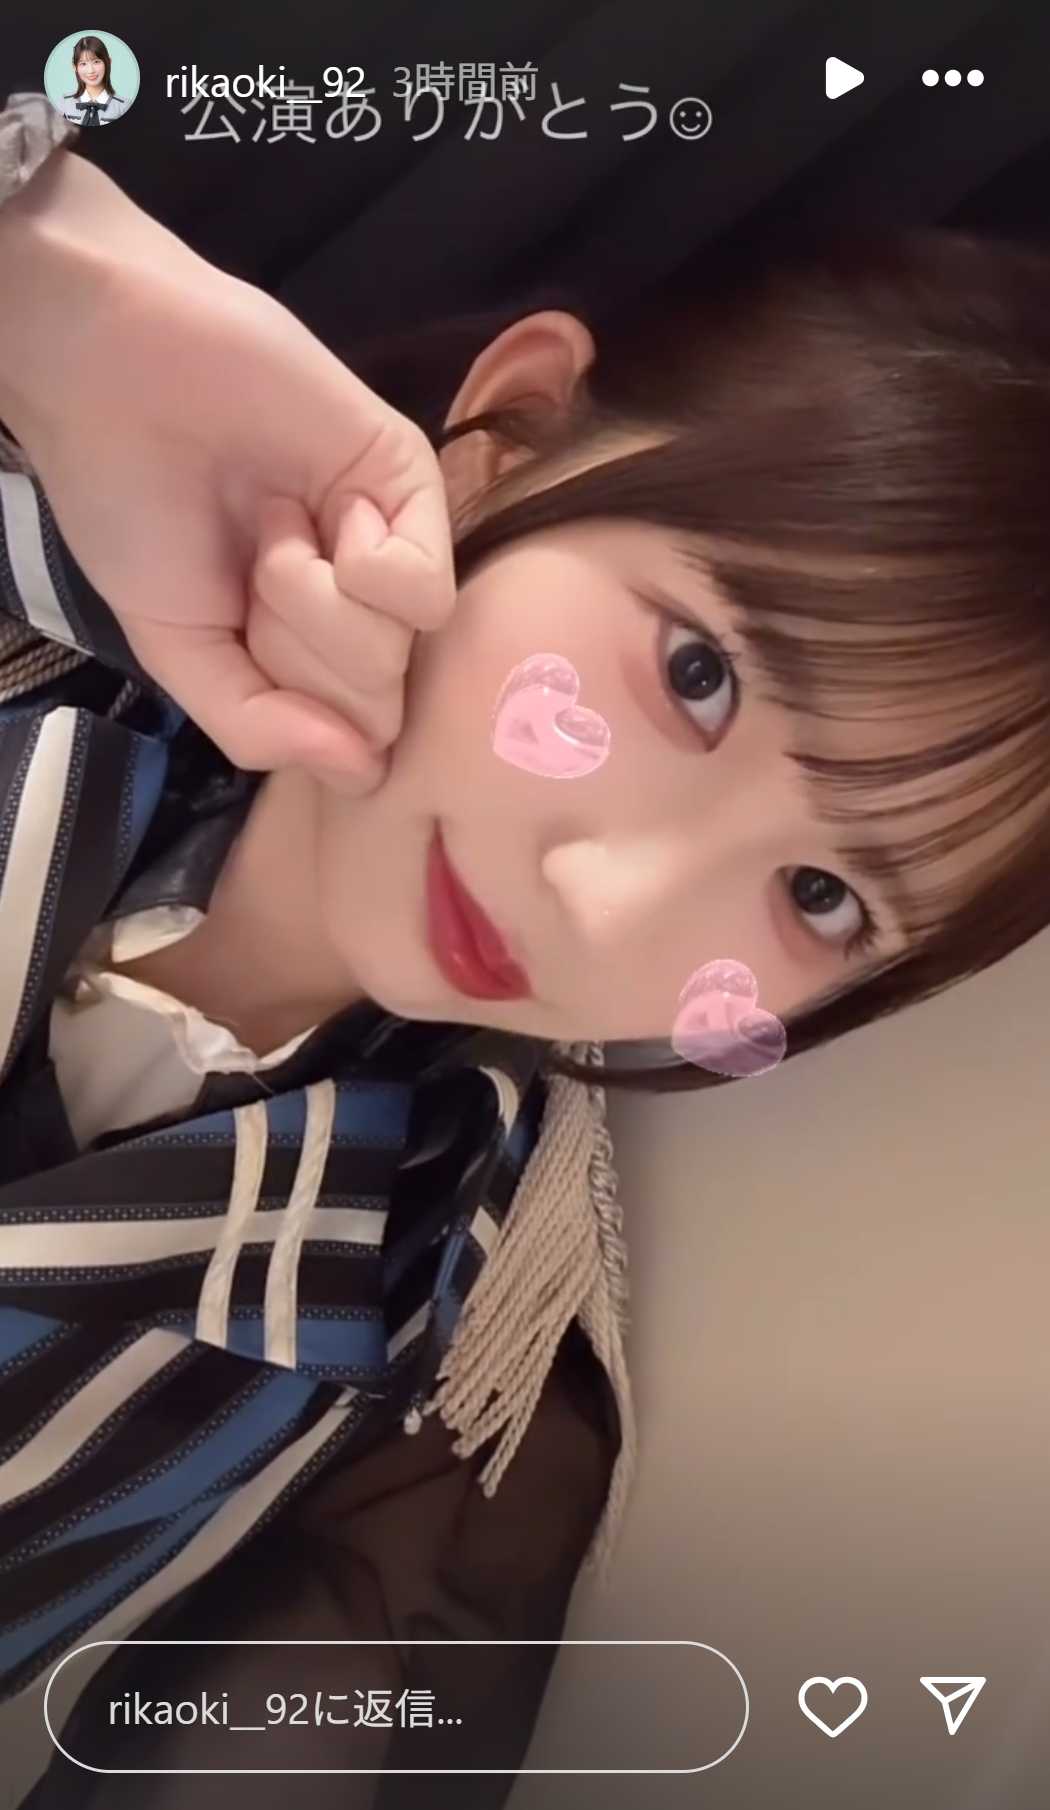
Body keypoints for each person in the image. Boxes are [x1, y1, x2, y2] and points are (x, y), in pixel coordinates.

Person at [1, 81, 1050, 1802]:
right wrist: (47, 273)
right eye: (697, 673)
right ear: (516, 428)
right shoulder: (33, 579)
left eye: (823, 900)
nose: (608, 903)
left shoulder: (444, 1351)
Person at [58, 37, 131, 127]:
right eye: (83, 64)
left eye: (96, 62)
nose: (91, 70)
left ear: (108, 62)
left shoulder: (124, 107)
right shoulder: (64, 103)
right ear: (74, 67)